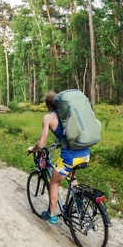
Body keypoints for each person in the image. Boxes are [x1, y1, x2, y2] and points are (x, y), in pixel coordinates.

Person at [28, 91, 90, 225]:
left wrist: (32, 149)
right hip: (85, 153)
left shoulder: (48, 118)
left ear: (48, 105)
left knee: (54, 182)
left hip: (70, 157)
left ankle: (52, 215)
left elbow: (41, 144)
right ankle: (80, 202)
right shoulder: (71, 114)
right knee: (71, 176)